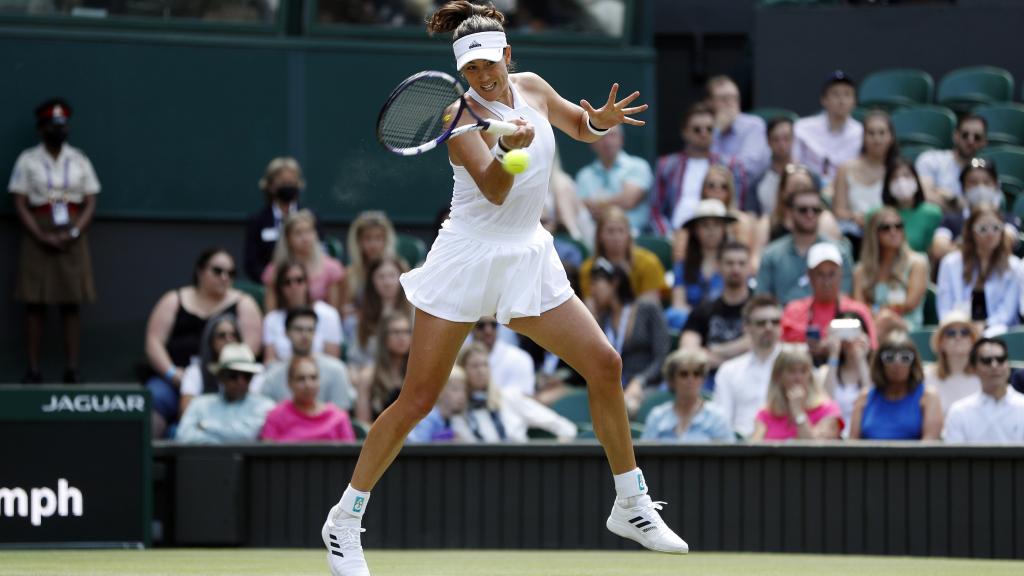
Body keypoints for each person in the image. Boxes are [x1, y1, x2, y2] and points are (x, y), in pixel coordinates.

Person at [321, 4, 688, 574]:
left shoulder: (534, 88)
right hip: (468, 256)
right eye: (472, 70)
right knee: (417, 400)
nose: (483, 78)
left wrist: (602, 120)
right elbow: (494, 189)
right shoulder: (457, 116)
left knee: (605, 364)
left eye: (490, 65)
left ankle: (631, 503)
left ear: (508, 56)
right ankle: (344, 519)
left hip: (527, 253)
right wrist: (510, 145)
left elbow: (577, 125)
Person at [9, 98, 100, 384]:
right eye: (52, 125)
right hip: (39, 230)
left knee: (71, 301)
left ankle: (72, 369)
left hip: (72, 231)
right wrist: (40, 234)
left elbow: (90, 200)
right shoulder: (28, 160)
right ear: (41, 128)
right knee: (34, 303)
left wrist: (73, 233)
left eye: (62, 125)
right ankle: (33, 369)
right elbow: (20, 202)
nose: (58, 130)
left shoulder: (79, 159)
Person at [144, 248, 262, 438]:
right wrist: (173, 374)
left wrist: (227, 374)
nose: (224, 277)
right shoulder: (174, 299)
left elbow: (250, 349)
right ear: (200, 271)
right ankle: (147, 462)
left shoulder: (244, 302)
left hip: (228, 381)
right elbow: (153, 342)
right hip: (176, 379)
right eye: (217, 271)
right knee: (155, 397)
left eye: (231, 273)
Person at [650, 102, 750, 237]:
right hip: (675, 236)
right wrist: (668, 236)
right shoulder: (666, 165)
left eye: (709, 129)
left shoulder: (732, 165)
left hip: (719, 236)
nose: (704, 133)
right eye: (697, 129)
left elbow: (737, 207)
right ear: (684, 132)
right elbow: (656, 212)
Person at [589, 259, 669, 414]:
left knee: (624, 408)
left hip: (649, 385)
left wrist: (640, 381)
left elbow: (662, 357)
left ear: (615, 283)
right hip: (616, 388)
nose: (592, 291)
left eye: (596, 283)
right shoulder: (604, 320)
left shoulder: (648, 309)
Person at [455, 343, 577, 442]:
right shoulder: (457, 410)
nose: (481, 371)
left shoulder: (509, 397)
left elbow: (565, 427)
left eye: (485, 365)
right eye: (475, 366)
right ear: (463, 370)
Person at [757, 186, 853, 306]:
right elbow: (762, 300)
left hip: (826, 320)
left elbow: (844, 297)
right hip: (782, 321)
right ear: (789, 212)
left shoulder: (839, 252)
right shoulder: (771, 255)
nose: (810, 214)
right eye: (803, 209)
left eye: (816, 209)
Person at [781, 243, 877, 359]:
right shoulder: (793, 311)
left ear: (841, 274)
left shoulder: (858, 311)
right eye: (820, 274)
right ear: (810, 276)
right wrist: (807, 348)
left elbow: (872, 351)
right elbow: (779, 351)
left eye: (831, 274)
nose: (826, 281)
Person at [936, 204, 1020, 331]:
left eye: (996, 228)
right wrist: (965, 328)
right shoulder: (950, 263)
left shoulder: (1014, 266)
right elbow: (944, 309)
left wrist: (985, 327)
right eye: (983, 229)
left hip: (999, 332)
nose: (990, 234)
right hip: (959, 331)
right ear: (971, 232)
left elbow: (1007, 313)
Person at [711, 294, 783, 438]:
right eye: (761, 323)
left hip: (786, 446)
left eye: (775, 322)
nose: (769, 327)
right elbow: (722, 422)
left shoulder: (797, 364)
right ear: (746, 327)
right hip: (742, 449)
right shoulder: (729, 370)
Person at [260, 307, 357, 412]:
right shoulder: (273, 374)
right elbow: (267, 414)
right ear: (286, 333)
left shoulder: (336, 370)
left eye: (310, 330)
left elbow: (341, 415)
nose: (305, 335)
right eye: (298, 329)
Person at [849, 333, 943, 440]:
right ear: (880, 363)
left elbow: (929, 445)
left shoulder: (928, 397)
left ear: (913, 363)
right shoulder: (865, 397)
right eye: (889, 357)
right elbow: (852, 443)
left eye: (905, 357)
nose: (897, 363)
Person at [176, 343, 274, 444]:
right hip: (205, 459)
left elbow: (247, 435)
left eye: (246, 375)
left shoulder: (264, 406)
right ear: (221, 377)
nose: (241, 382)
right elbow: (183, 435)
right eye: (233, 375)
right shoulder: (199, 404)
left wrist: (205, 426)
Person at [931, 158, 1020, 264]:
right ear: (963, 188)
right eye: (973, 183)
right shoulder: (950, 220)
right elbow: (939, 249)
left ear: (996, 186)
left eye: (987, 182)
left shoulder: (1008, 218)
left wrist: (959, 246)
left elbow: (1006, 243)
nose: (980, 187)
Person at [680, 241, 752, 371]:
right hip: (708, 379)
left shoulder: (760, 308)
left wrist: (713, 350)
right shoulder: (703, 309)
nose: (736, 269)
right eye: (729, 263)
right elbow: (688, 352)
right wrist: (737, 354)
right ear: (718, 266)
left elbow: (757, 343)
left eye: (742, 263)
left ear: (750, 267)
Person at [854, 209, 929, 330]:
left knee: (886, 318)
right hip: (872, 324)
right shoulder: (861, 270)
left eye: (898, 226)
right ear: (874, 233)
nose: (893, 232)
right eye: (886, 228)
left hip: (907, 328)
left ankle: (870, 346)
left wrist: (876, 311)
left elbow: (909, 304)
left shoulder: (917, 263)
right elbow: (859, 307)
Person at [831, 110, 898, 247]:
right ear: (863, 137)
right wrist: (854, 217)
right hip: (854, 234)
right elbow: (839, 211)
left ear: (891, 138)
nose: (876, 139)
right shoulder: (846, 169)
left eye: (882, 133)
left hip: (887, 233)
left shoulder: (898, 171)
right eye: (871, 133)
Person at [751, 345, 843, 441]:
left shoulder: (828, 409)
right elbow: (754, 451)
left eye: (803, 371)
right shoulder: (765, 414)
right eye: (791, 371)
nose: (798, 378)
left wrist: (798, 412)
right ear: (778, 376)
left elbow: (815, 449)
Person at [574, 124, 653, 234]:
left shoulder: (638, 166)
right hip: (594, 237)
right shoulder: (584, 175)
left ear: (621, 139)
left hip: (635, 236)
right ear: (592, 142)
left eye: (612, 135)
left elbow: (628, 200)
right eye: (601, 136)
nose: (607, 141)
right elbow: (579, 207)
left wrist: (596, 206)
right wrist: (616, 202)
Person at [641, 348, 734, 442]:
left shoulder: (717, 418)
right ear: (672, 380)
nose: (691, 379)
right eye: (684, 374)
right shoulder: (657, 417)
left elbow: (729, 455)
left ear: (702, 379)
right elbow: (643, 454)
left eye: (697, 374)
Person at [668, 199, 734, 329]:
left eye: (716, 225)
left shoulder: (734, 262)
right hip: (689, 319)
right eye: (705, 225)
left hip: (724, 319)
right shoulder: (683, 265)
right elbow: (678, 303)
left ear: (723, 229)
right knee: (674, 316)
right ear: (696, 230)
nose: (711, 230)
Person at [262, 209, 346, 313]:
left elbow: (335, 312)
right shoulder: (274, 271)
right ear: (288, 238)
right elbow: (271, 312)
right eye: (298, 233)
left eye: (309, 231)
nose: (305, 238)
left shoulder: (332, 268)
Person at [578, 206, 667, 303]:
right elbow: (589, 308)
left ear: (629, 234)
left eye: (621, 231)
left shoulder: (649, 263)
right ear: (599, 236)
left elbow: (651, 305)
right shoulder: (589, 268)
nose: (616, 237)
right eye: (610, 231)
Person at [944, 338, 1024, 444]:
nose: (994, 365)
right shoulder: (959, 412)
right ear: (973, 368)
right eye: (986, 361)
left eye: (1001, 359)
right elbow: (954, 458)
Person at [178, 312, 258, 417]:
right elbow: (186, 415)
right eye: (222, 336)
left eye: (233, 335)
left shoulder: (252, 371)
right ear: (211, 341)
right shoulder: (195, 372)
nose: (229, 340)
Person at [244, 157, 310, 281]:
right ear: (270, 186)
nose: (288, 187)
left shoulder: (310, 217)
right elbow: (251, 263)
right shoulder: (258, 220)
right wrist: (271, 282)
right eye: (283, 183)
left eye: (291, 182)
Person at [261, 355, 357, 442]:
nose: (308, 384)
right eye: (301, 379)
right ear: (289, 383)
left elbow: (353, 458)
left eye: (313, 378)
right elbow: (266, 456)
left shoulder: (338, 417)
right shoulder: (275, 416)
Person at [263, 261, 343, 364]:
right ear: (280, 288)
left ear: (307, 283)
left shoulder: (329, 314)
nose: (294, 286)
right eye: (287, 282)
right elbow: (270, 362)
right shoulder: (271, 319)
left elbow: (333, 361)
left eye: (299, 280)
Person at [793, 70, 863, 185]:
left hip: (848, 190)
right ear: (824, 100)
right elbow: (795, 165)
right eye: (835, 94)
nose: (842, 100)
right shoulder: (802, 128)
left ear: (854, 102)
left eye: (847, 94)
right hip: (809, 191)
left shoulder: (861, 133)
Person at [345, 255, 412, 374]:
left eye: (392, 276)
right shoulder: (362, 316)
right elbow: (354, 359)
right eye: (381, 277)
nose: (387, 282)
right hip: (370, 377)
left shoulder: (414, 313)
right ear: (372, 282)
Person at [915, 113, 989, 209]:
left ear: (984, 142)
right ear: (955, 136)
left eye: (977, 137)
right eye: (965, 135)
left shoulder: (985, 171)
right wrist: (959, 204)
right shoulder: (931, 159)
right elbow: (923, 195)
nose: (970, 140)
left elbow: (987, 208)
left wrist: (950, 198)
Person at [706, 75, 770, 183]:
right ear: (709, 102)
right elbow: (699, 165)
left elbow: (747, 170)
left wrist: (717, 163)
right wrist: (716, 131)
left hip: (746, 192)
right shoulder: (702, 126)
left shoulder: (753, 125)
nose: (730, 103)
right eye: (724, 99)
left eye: (734, 98)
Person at [818, 312, 872, 434]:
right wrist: (833, 355)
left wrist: (861, 359)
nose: (848, 338)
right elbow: (825, 404)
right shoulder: (825, 371)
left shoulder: (875, 372)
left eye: (853, 331)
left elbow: (872, 403)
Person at [354, 311, 412, 424]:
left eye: (407, 332)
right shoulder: (368, 377)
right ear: (384, 337)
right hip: (379, 437)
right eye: (396, 332)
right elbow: (363, 424)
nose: (402, 337)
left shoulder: (416, 374)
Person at [877, 157, 942, 254]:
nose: (901, 182)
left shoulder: (933, 213)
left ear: (916, 180)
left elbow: (932, 252)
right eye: (894, 177)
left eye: (907, 176)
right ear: (887, 184)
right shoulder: (876, 214)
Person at [923, 311, 982, 414]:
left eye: (965, 332)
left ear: (973, 341)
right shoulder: (926, 376)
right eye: (951, 333)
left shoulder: (985, 374)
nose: (958, 337)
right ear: (941, 343)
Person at [470, 316, 536, 397]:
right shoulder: (458, 357)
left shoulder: (520, 358)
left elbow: (523, 398)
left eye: (494, 325)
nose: (488, 331)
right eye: (481, 325)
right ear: (471, 328)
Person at [345, 210, 398, 307]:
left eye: (378, 238)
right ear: (358, 241)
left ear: (386, 240)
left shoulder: (399, 268)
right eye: (367, 238)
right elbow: (345, 308)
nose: (373, 245)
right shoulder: (350, 274)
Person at [407, 367, 468, 443]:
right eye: (455, 389)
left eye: (464, 389)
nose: (462, 395)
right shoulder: (427, 418)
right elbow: (417, 446)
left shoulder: (454, 420)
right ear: (439, 391)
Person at [755, 117, 800, 217]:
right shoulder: (757, 181)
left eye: (786, 138)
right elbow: (752, 216)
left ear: (793, 139)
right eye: (776, 139)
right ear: (768, 141)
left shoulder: (811, 177)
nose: (781, 144)